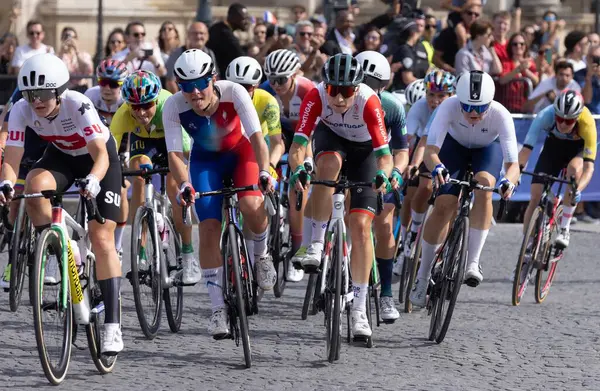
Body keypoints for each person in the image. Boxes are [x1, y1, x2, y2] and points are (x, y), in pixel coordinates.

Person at [0, 53, 123, 354]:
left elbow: (101, 155)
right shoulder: (21, 109)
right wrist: (5, 182)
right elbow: (13, 158)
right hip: (62, 157)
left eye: (43, 94)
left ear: (58, 90)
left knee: (102, 237)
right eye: (30, 95)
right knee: (33, 185)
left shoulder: (78, 105)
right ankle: (57, 245)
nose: (37, 102)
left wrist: (94, 180)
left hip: (98, 159)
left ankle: (113, 326)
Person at [163, 49, 277, 337]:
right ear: (179, 87)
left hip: (242, 154)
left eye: (201, 83)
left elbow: (256, 138)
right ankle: (217, 309)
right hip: (206, 161)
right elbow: (176, 155)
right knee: (210, 227)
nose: (195, 92)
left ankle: (261, 255)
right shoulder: (174, 106)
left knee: (251, 204)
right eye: (187, 86)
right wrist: (184, 184)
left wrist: (264, 171)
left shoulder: (234, 92)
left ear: (213, 79)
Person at [288, 54, 393, 338]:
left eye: (346, 91)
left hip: (365, 153)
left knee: (360, 227)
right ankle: (316, 244)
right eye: (334, 89)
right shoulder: (316, 95)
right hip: (331, 139)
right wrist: (298, 169)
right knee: (328, 166)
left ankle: (359, 309)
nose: (339, 98)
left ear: (357, 88)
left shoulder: (369, 102)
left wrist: (383, 175)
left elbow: (385, 157)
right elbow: (297, 146)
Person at [409, 70, 519, 306]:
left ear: (489, 103)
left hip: (486, 151)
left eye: (480, 108)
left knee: (485, 185)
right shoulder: (448, 106)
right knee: (444, 203)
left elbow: (513, 165)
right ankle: (423, 275)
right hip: (454, 147)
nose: (472, 113)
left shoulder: (501, 114)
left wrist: (508, 181)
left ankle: (473, 261)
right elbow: (431, 152)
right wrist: (437, 167)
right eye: (467, 106)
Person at [111, 70, 196, 282]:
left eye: (147, 105)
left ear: (156, 100)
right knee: (139, 172)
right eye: (135, 107)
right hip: (144, 142)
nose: (141, 113)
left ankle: (187, 255)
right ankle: (140, 249)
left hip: (171, 140)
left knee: (175, 187)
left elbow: (185, 151)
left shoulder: (170, 106)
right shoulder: (122, 114)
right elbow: (109, 150)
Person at [356, 50, 409, 322]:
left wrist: (397, 172)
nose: (363, 88)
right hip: (351, 159)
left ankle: (386, 293)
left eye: (370, 83)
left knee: (384, 224)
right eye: (360, 80)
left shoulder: (391, 106)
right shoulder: (344, 98)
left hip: (380, 163)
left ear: (383, 86)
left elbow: (401, 149)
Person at [394, 70, 456, 281]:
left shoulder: (452, 108)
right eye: (431, 95)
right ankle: (409, 236)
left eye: (441, 96)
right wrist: (410, 164)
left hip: (454, 148)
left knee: (453, 203)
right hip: (427, 151)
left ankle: (447, 248)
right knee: (420, 189)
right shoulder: (419, 108)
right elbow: (414, 140)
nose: (434, 100)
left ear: (450, 96)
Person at [259, 49, 314, 279]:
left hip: (304, 134)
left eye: (281, 79)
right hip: (278, 134)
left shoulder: (308, 90)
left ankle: (297, 248)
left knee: (297, 191)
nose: (276, 84)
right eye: (272, 79)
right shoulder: (265, 89)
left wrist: (307, 161)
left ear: (293, 75)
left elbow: (309, 132)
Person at [519, 90, 596, 248]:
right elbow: (526, 150)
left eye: (568, 122)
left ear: (577, 118)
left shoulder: (587, 122)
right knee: (535, 196)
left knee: (573, 169)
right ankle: (526, 245)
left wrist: (577, 190)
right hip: (553, 147)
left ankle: (564, 228)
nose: (562, 124)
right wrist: (515, 173)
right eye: (560, 119)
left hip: (577, 150)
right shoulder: (545, 115)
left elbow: (589, 168)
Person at [0, 87, 49, 289]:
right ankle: (13, 259)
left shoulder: (56, 90)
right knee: (15, 202)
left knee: (45, 199)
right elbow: (5, 128)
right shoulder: (21, 94)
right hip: (24, 144)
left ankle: (46, 252)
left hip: (50, 147)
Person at [165, 21, 217, 94]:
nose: (198, 36)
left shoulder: (209, 53)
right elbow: (170, 81)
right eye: (195, 33)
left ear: (207, 36)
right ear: (188, 35)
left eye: (201, 33)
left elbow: (214, 77)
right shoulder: (177, 54)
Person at [433, 1, 481, 73]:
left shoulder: (479, 35)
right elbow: (435, 58)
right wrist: (448, 68)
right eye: (469, 13)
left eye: (476, 15)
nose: (473, 16)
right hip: (449, 75)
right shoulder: (448, 33)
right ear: (462, 14)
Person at [496, 32, 539, 114]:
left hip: (525, 109)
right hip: (508, 108)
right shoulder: (506, 63)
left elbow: (536, 81)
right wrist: (518, 69)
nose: (518, 46)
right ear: (510, 46)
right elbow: (502, 80)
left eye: (522, 44)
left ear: (525, 46)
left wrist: (525, 70)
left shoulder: (531, 63)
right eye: (515, 44)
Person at [206, 3, 250, 80]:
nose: (246, 22)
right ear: (234, 18)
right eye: (244, 19)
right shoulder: (225, 35)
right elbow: (242, 58)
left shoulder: (217, 28)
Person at [389, 19, 429, 92]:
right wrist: (429, 84)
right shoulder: (405, 50)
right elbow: (407, 78)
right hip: (403, 93)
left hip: (417, 91)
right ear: (413, 33)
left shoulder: (419, 48)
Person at [84, 59, 128, 126]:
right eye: (103, 82)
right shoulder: (90, 95)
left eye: (113, 84)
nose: (107, 88)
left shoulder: (127, 100)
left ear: (122, 86)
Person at [58, 27, 93, 93]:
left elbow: (87, 70)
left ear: (76, 39)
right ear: (62, 39)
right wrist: (61, 52)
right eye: (66, 36)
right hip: (65, 90)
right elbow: (55, 70)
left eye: (72, 37)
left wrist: (76, 51)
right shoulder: (58, 56)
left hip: (82, 89)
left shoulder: (84, 55)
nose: (69, 39)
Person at [575, 45, 600, 114]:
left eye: (598, 58)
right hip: (587, 118)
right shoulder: (578, 75)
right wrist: (589, 77)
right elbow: (586, 100)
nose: (594, 60)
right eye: (592, 57)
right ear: (586, 57)